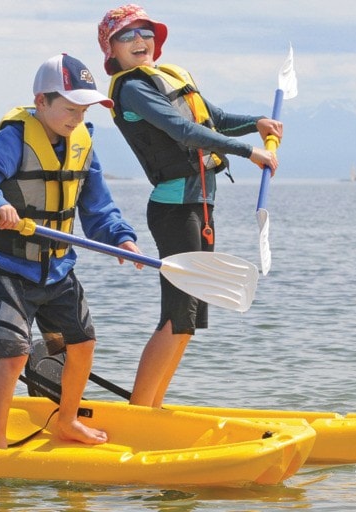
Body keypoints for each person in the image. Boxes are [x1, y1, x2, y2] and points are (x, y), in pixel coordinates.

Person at [0, 53, 142, 448]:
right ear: (42, 102)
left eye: (83, 109)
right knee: (14, 356)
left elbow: (97, 206)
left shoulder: (84, 144)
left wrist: (120, 236)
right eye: (69, 108)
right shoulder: (13, 139)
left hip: (57, 270)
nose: (76, 117)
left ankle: (67, 420)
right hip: (9, 270)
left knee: (83, 343)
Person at [97, 5, 283, 408]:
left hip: (200, 206)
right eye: (127, 36)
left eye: (146, 32)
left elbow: (212, 118)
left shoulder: (169, 77)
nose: (139, 41)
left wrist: (257, 123)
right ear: (110, 48)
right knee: (177, 314)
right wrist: (250, 151)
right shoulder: (132, 88)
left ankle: (153, 406)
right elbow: (182, 130)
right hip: (175, 210)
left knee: (192, 320)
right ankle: (140, 411)